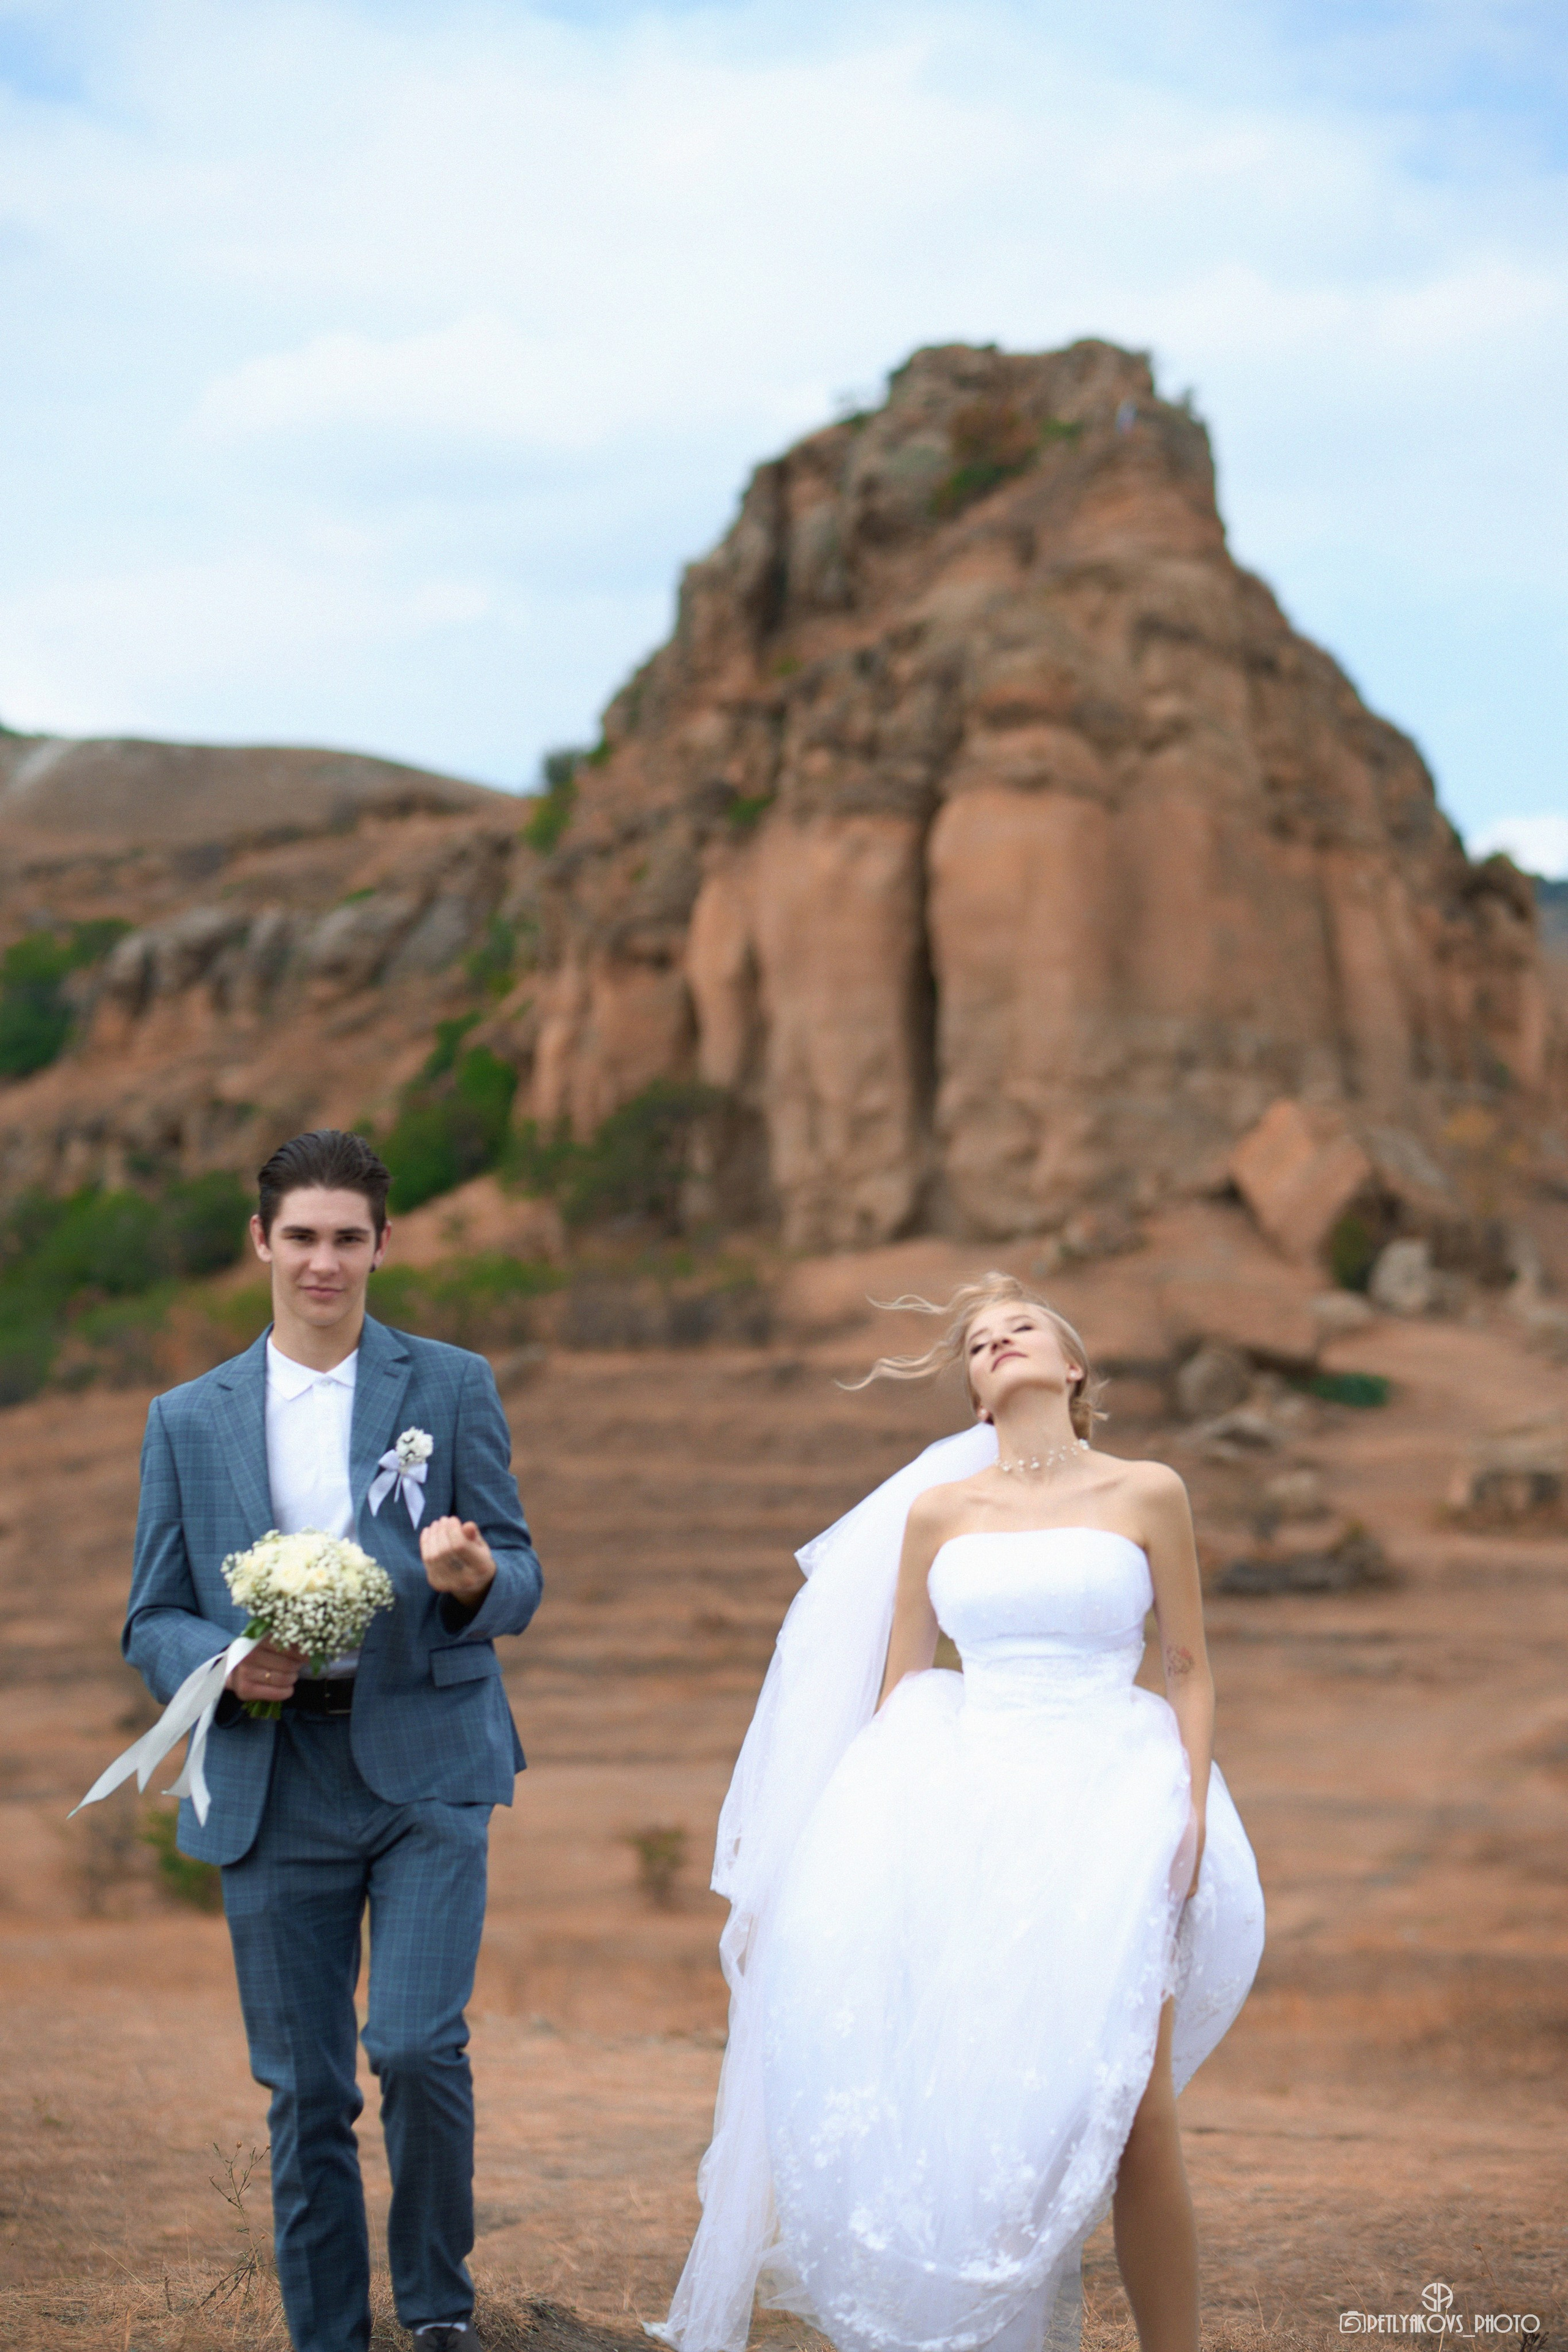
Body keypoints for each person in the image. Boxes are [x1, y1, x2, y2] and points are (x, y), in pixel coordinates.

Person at [652, 1275, 1264, 2352]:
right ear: (977, 1398)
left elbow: (1189, 1666)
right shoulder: (940, 1512)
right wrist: (883, 1847)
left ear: (1072, 1370)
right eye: (979, 1345)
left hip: (1116, 1801)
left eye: (1020, 1329)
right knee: (974, 2094)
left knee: (1134, 2110)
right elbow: (901, 1689)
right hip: (971, 1808)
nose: (998, 1344)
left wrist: (1190, 1810)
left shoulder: (1146, 1490)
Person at [123, 1129, 542, 2352]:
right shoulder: (185, 1418)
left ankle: (436, 2315)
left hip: (426, 1759)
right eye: (300, 1236)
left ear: (380, 1248)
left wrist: (469, 1579)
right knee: (304, 2091)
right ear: (261, 1241)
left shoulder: (451, 1386)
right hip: (269, 1770)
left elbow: (517, 1568)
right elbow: (150, 1615)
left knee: (414, 2047)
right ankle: (326, 2335)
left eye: (346, 1238)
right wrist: (216, 1660)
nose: (322, 1261)